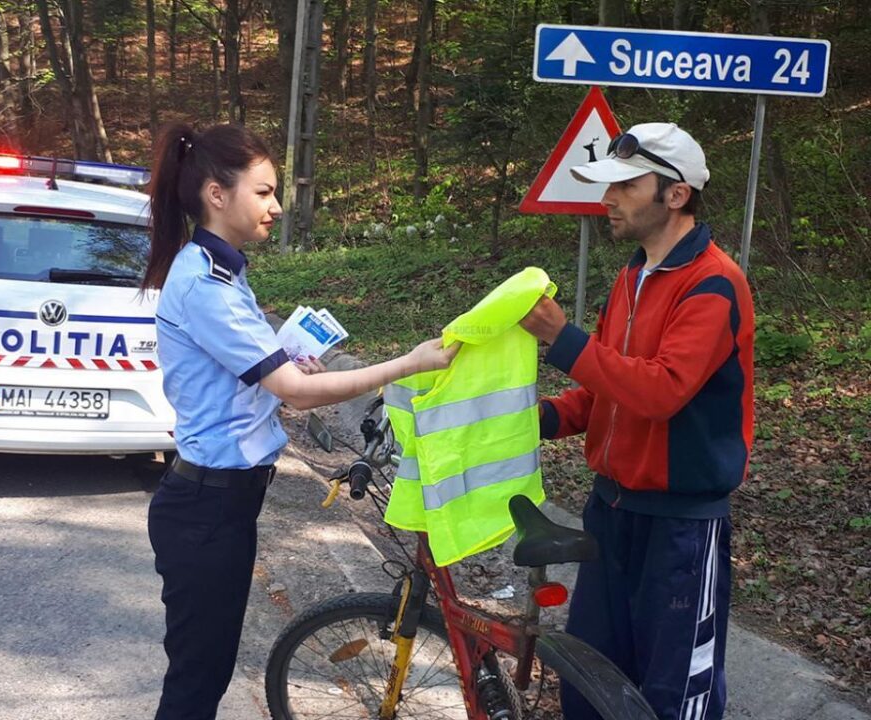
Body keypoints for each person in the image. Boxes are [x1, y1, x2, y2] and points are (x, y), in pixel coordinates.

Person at [141, 122, 457, 720]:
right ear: (216, 193)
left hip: (220, 505)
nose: (276, 206)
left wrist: (290, 361)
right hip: (206, 510)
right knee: (196, 678)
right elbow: (294, 393)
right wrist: (405, 364)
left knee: (204, 669)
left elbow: (264, 381)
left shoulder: (223, 273)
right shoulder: (205, 284)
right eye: (263, 192)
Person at [520, 123, 754, 720]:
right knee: (590, 680)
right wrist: (536, 419)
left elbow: (660, 391)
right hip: (611, 512)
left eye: (626, 185)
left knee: (675, 693)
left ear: (675, 195)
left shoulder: (714, 284)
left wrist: (561, 339)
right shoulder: (632, 276)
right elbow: (606, 391)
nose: (609, 200)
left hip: (680, 526)